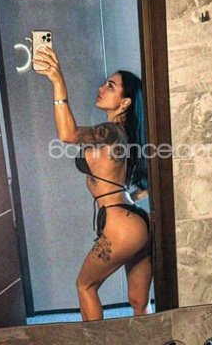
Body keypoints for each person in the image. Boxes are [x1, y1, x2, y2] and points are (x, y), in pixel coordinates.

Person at [33, 46, 152, 321]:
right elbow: (147, 184)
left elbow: (69, 135)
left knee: (85, 286)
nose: (102, 88)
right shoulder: (126, 134)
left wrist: (58, 81)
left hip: (120, 225)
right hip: (137, 221)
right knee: (139, 302)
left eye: (111, 86)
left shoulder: (111, 131)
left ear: (125, 102)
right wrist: (129, 199)